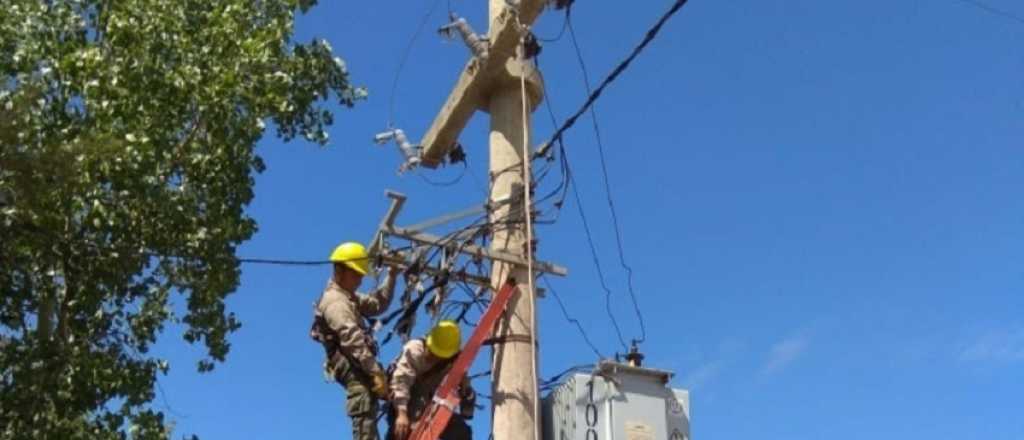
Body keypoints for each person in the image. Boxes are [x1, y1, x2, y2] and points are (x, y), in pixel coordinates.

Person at [311, 241, 399, 440]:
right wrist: (375, 371)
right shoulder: (335, 302)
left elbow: (378, 304)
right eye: (356, 274)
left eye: (361, 275)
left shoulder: (349, 296)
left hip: (360, 364)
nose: (360, 280)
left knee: (385, 397)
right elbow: (353, 341)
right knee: (364, 399)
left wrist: (392, 276)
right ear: (339, 270)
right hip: (351, 365)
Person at [388, 320, 476, 440]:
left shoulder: (454, 362)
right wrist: (401, 414)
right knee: (402, 431)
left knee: (460, 432)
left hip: (429, 405)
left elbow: (467, 408)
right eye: (432, 351)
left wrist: (466, 392)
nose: (433, 356)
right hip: (404, 402)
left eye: (438, 355)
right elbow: (401, 382)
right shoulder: (415, 350)